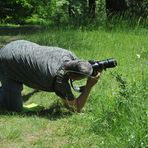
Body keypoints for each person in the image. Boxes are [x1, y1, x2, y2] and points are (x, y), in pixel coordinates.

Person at [0, 40, 101, 112]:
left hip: (18, 44)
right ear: (73, 78)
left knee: (12, 94)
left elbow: (78, 67)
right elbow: (76, 107)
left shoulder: (69, 55)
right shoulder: (59, 79)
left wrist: (88, 67)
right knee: (14, 109)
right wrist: (89, 86)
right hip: (8, 59)